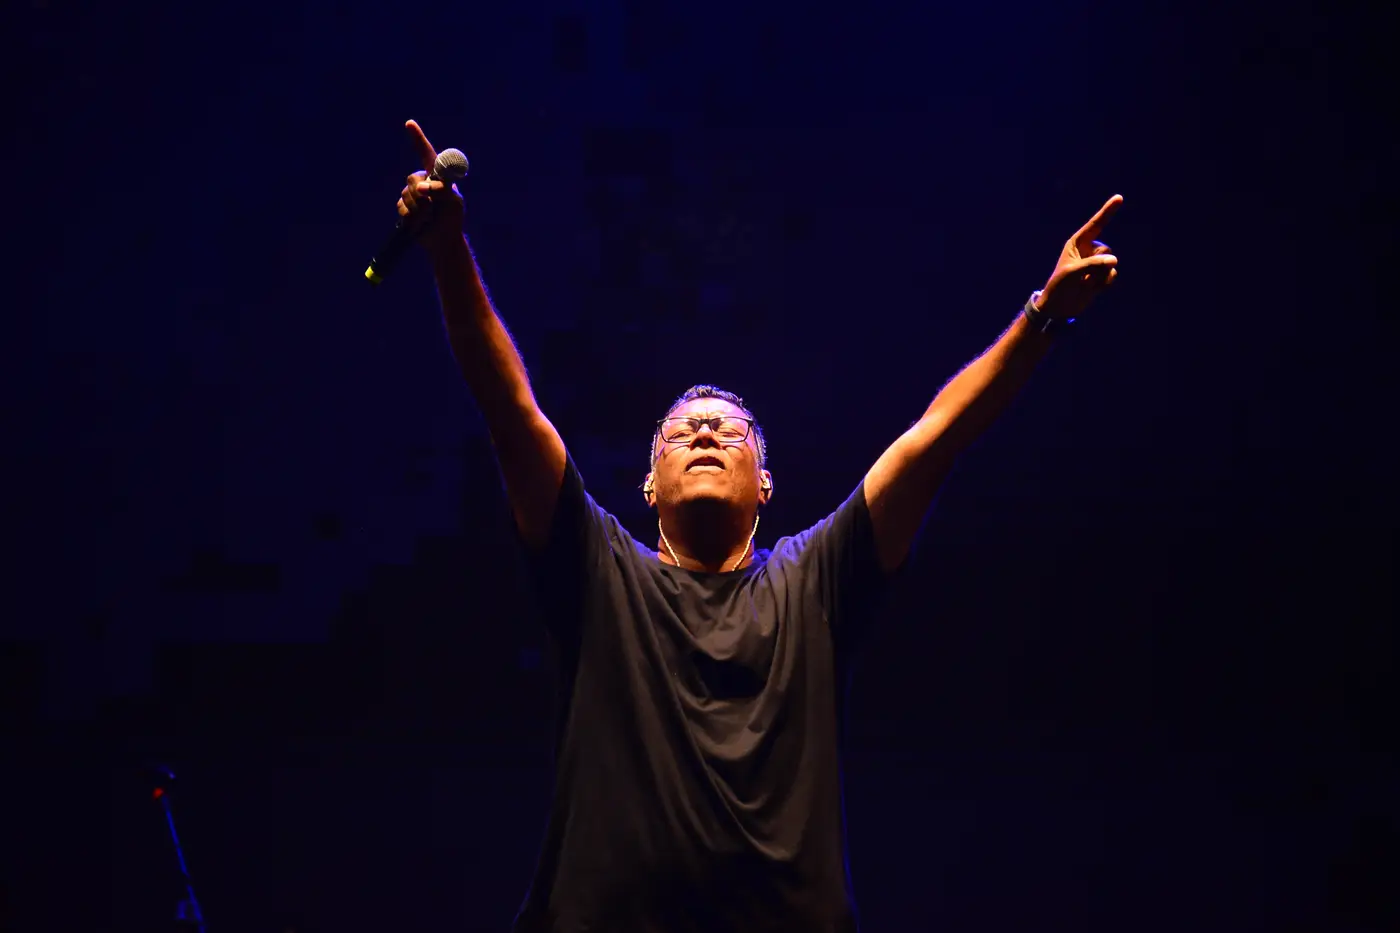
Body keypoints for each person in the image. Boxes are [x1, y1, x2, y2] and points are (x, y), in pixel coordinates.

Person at [393, 119, 1122, 932]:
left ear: (766, 484)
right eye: (681, 430)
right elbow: (510, 409)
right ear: (648, 484)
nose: (705, 431)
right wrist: (449, 251)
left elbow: (936, 437)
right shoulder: (598, 572)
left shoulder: (815, 581)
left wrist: (1043, 314)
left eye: (729, 430)